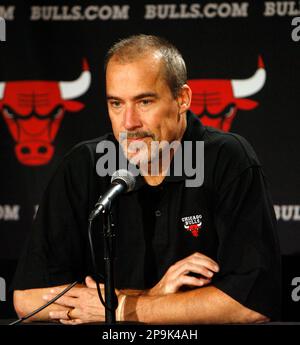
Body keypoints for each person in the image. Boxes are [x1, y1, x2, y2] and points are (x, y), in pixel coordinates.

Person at [12, 34, 281, 324]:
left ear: (182, 99)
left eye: (144, 101)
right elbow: (28, 298)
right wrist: (152, 296)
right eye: (116, 104)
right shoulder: (84, 165)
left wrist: (121, 309)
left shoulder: (226, 159)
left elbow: (251, 304)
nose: (129, 122)